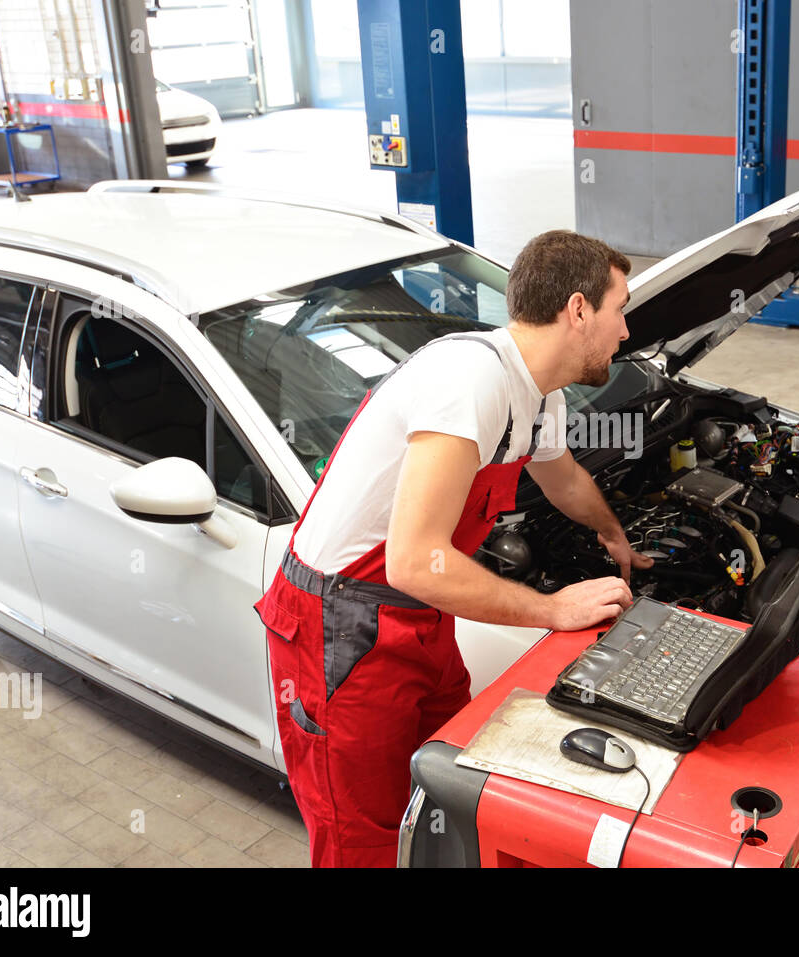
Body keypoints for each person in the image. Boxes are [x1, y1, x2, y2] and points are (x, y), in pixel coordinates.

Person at [254, 230, 654, 867]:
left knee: (444, 798)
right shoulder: (471, 380)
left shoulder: (537, 390)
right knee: (363, 839)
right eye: (619, 309)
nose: (626, 331)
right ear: (578, 310)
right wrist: (550, 609)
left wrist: (613, 536)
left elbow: (564, 477)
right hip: (343, 625)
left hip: (420, 615)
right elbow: (414, 560)